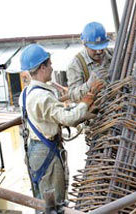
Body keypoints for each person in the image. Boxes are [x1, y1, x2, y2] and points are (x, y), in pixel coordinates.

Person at [19, 44, 95, 210]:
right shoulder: (42, 96)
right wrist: (84, 104)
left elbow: (52, 115)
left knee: (43, 201)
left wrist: (85, 112)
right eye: (50, 64)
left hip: (35, 150)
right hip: (47, 151)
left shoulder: (27, 92)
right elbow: (67, 119)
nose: (52, 68)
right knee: (54, 203)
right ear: (42, 67)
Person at [67, 21, 113, 102]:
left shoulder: (114, 54)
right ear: (85, 45)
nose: (99, 51)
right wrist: (89, 84)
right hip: (95, 111)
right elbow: (72, 95)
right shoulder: (76, 64)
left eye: (101, 47)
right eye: (94, 48)